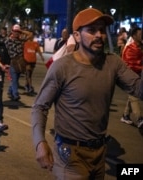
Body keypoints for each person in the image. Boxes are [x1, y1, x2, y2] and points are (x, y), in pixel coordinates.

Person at [31, 8, 143, 179]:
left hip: (99, 154)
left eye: (102, 30)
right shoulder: (62, 67)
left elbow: (138, 89)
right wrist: (40, 143)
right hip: (69, 155)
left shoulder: (113, 63)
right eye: (91, 30)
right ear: (76, 36)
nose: (99, 35)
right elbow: (40, 106)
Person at [120, 27, 143, 128]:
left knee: (132, 96)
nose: (142, 35)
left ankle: (125, 115)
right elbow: (131, 65)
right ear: (134, 36)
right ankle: (139, 119)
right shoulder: (130, 48)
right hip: (130, 76)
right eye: (140, 34)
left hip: (138, 75)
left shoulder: (140, 46)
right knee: (134, 96)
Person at [5, 24, 33, 101]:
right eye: (15, 31)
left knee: (16, 79)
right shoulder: (7, 41)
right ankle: (15, 94)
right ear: (12, 31)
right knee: (14, 79)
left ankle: (10, 91)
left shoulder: (21, 41)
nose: (16, 33)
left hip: (20, 62)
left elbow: (30, 35)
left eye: (18, 32)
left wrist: (21, 31)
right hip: (12, 62)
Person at [23, 31, 44, 95]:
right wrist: (27, 34)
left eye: (32, 35)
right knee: (28, 74)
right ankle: (30, 87)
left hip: (33, 61)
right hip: (27, 61)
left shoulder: (35, 43)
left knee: (29, 75)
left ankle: (27, 86)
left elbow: (39, 51)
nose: (31, 36)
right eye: (30, 35)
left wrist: (42, 57)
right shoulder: (25, 43)